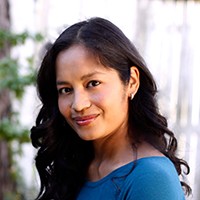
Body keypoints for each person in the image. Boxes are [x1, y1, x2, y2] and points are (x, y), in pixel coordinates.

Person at [31, 17, 191, 200]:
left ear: (132, 82)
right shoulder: (77, 165)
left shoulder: (151, 178)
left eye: (93, 83)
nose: (78, 104)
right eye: (66, 90)